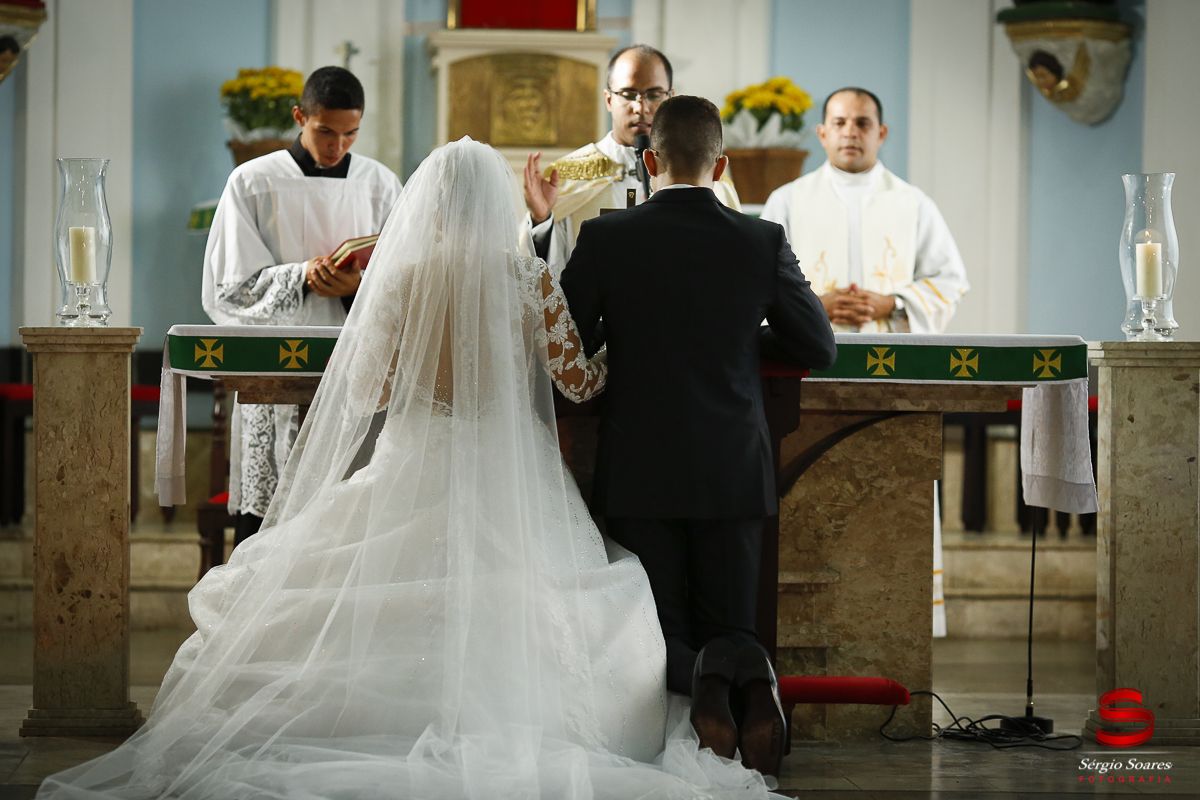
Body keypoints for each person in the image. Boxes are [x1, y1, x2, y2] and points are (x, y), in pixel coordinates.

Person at [38, 138, 784, 800]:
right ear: (497, 203)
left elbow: (364, 391)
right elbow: (579, 385)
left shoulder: (398, 280)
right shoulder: (525, 280)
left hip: (413, 459)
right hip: (512, 476)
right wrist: (630, 348)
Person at [560, 96, 838, 778]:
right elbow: (818, 344)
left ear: (649, 160)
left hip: (641, 463)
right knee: (734, 622)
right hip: (732, 466)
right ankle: (749, 679)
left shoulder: (607, 238)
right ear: (722, 164)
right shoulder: (759, 240)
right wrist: (741, 336)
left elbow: (569, 342)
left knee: (656, 632)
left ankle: (706, 688)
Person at [202, 66, 402, 548]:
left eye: (351, 133)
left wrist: (355, 285)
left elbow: (404, 281)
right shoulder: (252, 181)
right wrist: (303, 277)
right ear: (300, 116)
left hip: (355, 359)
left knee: (347, 506)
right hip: (277, 362)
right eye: (325, 132)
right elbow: (228, 289)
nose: (338, 146)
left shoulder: (380, 183)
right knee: (271, 506)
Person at [761, 87, 968, 333]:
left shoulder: (914, 203)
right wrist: (812, 305)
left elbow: (948, 280)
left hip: (890, 360)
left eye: (863, 123)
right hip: (808, 356)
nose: (850, 132)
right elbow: (759, 281)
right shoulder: (786, 200)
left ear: (881, 133)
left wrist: (893, 304)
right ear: (823, 134)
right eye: (839, 123)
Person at [523, 44, 740, 277]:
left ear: (671, 98)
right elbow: (545, 278)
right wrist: (541, 220)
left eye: (654, 95)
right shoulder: (567, 177)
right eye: (628, 94)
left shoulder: (704, 173)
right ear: (608, 99)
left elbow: (731, 260)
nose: (640, 107)